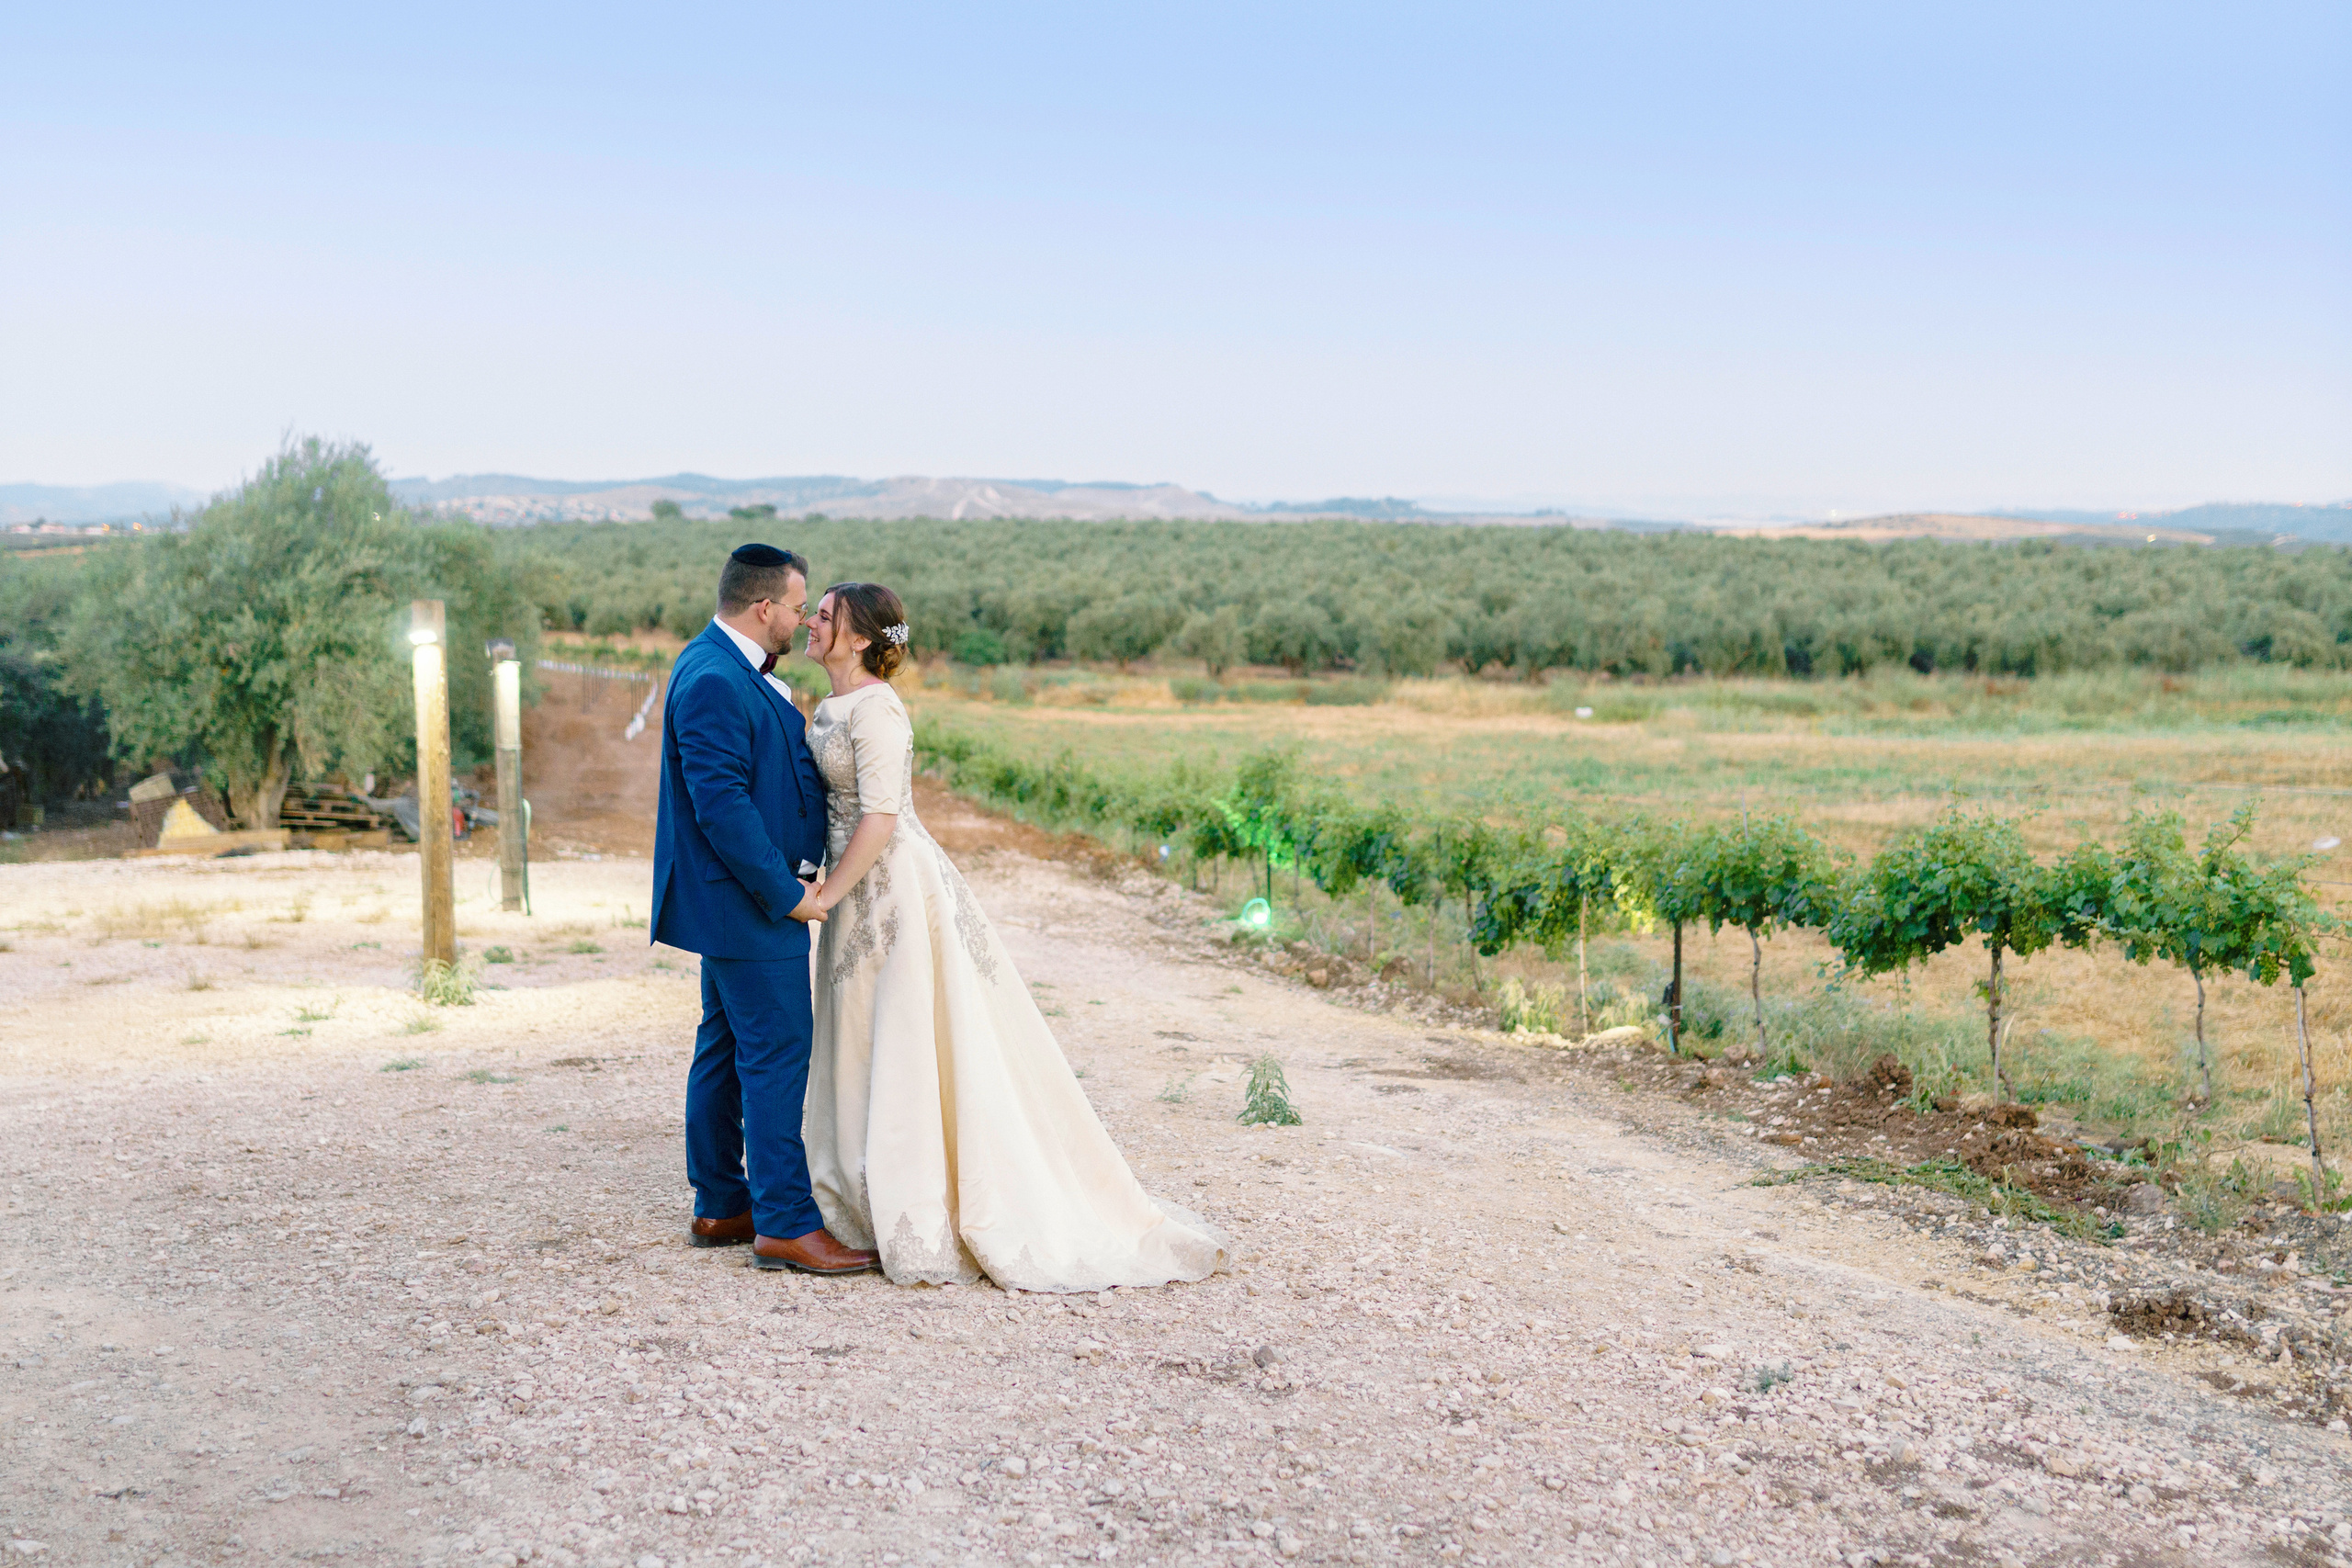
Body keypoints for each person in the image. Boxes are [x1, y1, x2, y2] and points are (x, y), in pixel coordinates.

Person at [798, 582, 1228, 1291]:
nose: (812, 621)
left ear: (862, 637)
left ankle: (916, 1198)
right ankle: (851, 1193)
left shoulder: (878, 710)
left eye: (825, 615)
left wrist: (826, 894)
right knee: (855, 1030)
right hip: (851, 888)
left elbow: (879, 815)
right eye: (813, 611)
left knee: (902, 1030)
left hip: (888, 887)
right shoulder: (828, 706)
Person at [650, 545, 880, 1276]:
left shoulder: (720, 665)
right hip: (751, 907)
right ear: (762, 608)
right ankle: (784, 1221)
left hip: (731, 908)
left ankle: (722, 1203)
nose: (803, 616)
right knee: (779, 1052)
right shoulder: (716, 676)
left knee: (722, 1048)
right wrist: (789, 896)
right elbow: (721, 805)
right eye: (797, 603)